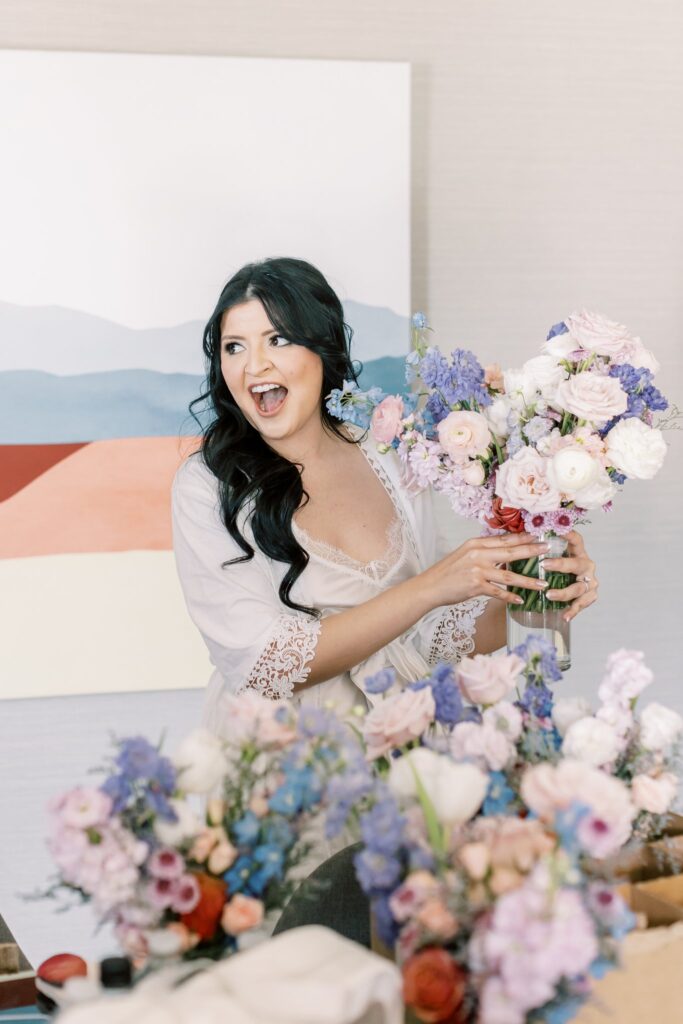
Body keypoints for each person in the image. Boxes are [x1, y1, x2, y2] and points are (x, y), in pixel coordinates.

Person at [172, 258, 598, 735]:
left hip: (406, 746)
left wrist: (528, 586)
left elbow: (432, 641)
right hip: (284, 758)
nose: (254, 366)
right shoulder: (209, 485)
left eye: (277, 339)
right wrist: (434, 585)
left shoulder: (389, 456)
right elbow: (263, 664)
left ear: (322, 348)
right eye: (234, 347)